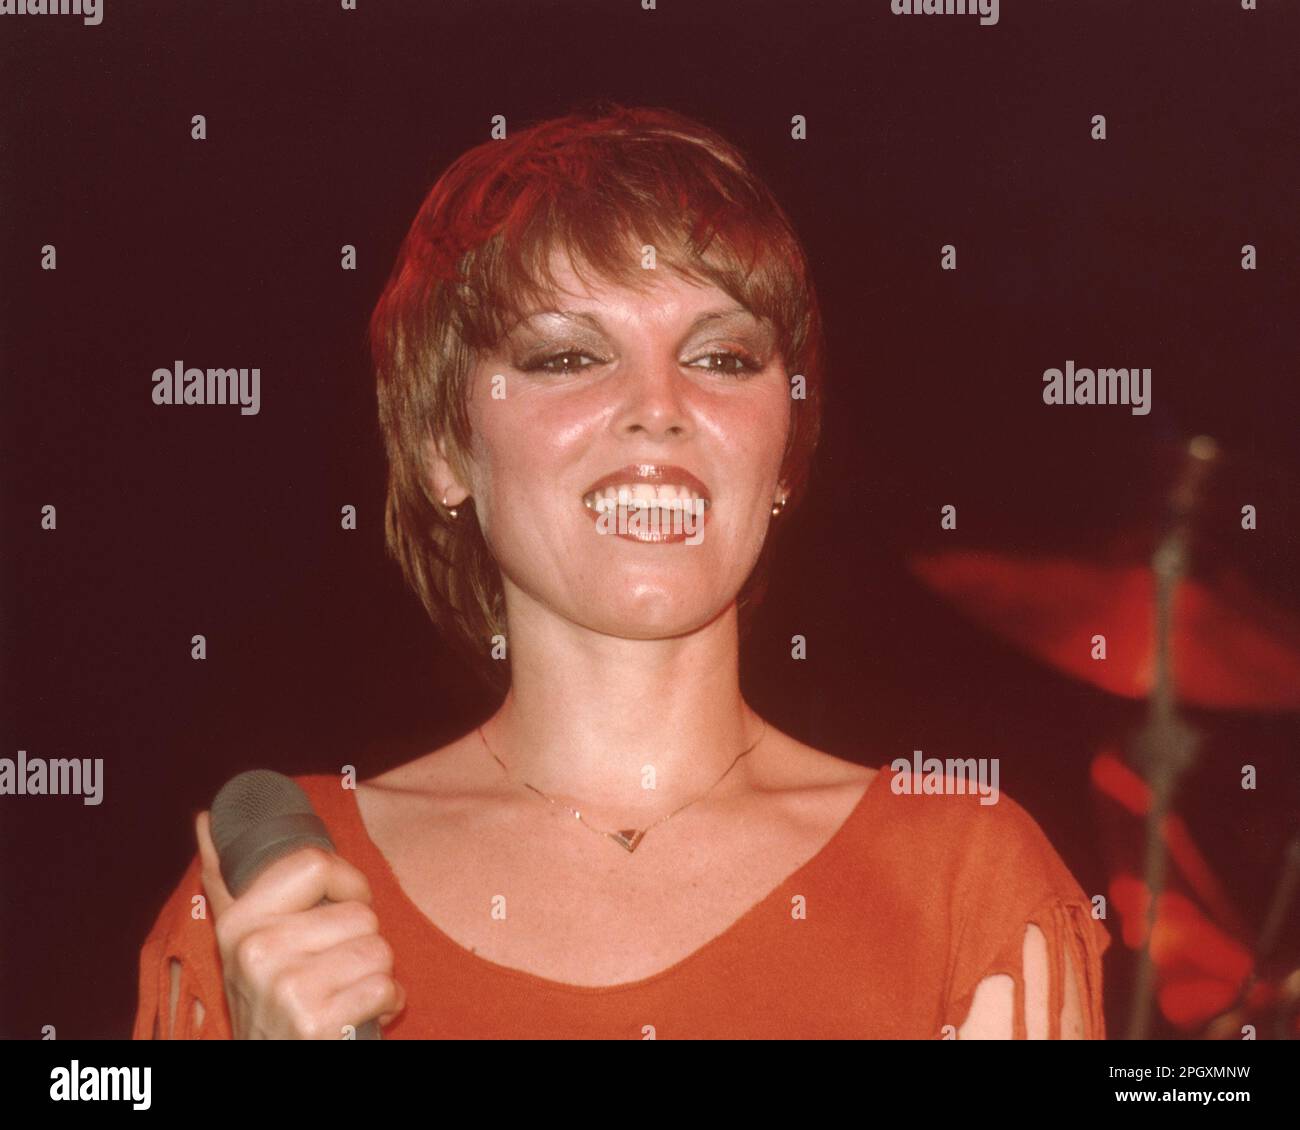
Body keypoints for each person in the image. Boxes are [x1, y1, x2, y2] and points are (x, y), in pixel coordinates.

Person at [134, 103, 1110, 1040]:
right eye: (566, 356)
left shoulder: (959, 872)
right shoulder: (280, 895)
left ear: (782, 455)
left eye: (723, 356)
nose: (659, 404)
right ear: (443, 446)